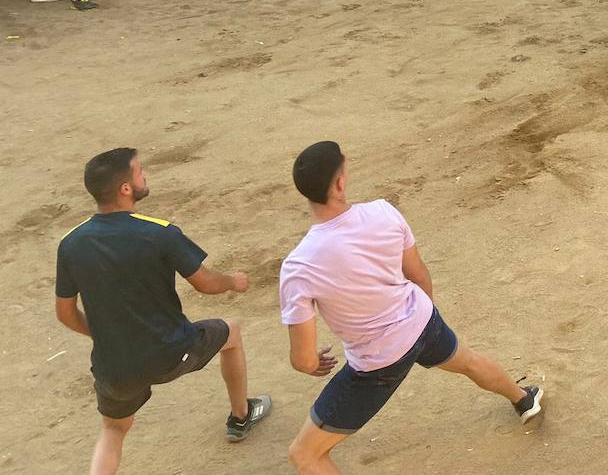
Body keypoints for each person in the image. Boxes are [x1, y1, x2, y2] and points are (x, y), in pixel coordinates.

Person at [279, 142, 543, 474]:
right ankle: (523, 398)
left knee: (305, 455)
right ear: (340, 183)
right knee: (468, 361)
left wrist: (313, 362)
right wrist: (419, 321)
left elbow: (303, 361)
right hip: (421, 319)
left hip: (376, 363)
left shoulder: (299, 266)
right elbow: (418, 274)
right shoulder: (383, 212)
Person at [55, 148, 271, 475]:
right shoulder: (159, 232)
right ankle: (240, 417)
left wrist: (103, 334)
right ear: (125, 188)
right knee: (232, 331)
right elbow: (204, 283)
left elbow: (65, 313)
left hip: (114, 366)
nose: (144, 177)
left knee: (113, 431)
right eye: (140, 172)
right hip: (172, 352)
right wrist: (232, 281)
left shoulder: (70, 244)